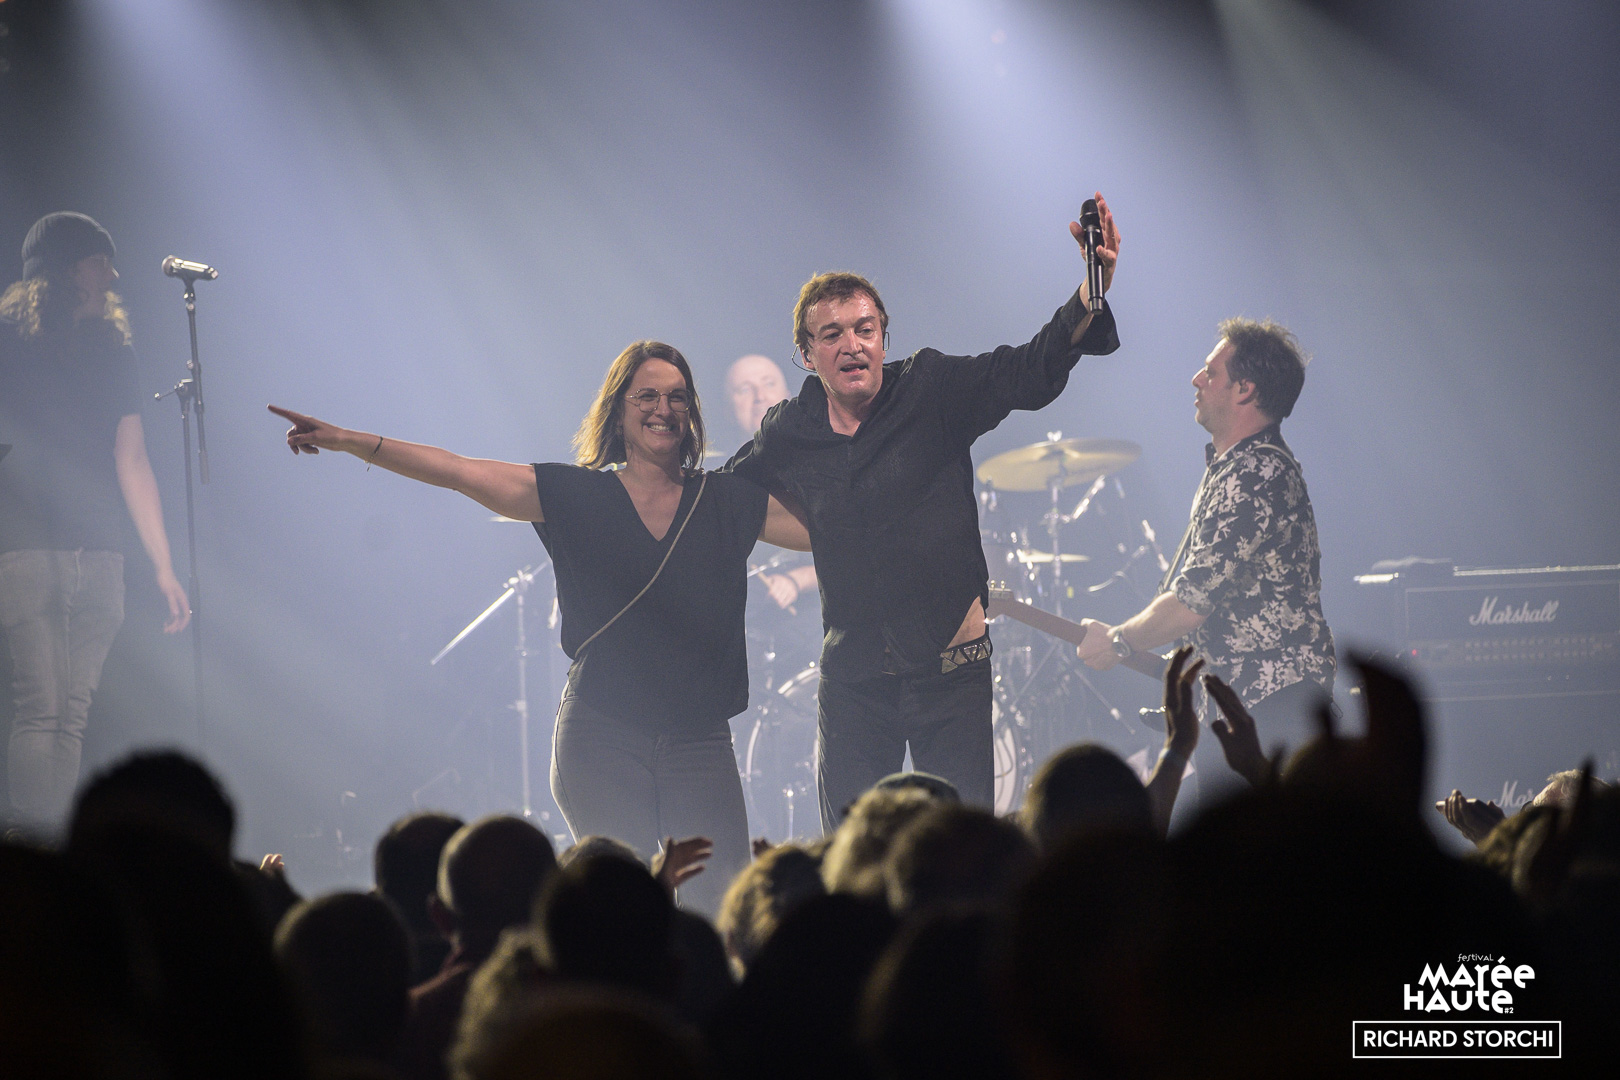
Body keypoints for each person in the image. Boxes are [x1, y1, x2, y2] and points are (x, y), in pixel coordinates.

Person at [270, 340, 809, 914]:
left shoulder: (723, 499)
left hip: (699, 740)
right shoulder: (576, 493)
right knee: (616, 907)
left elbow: (829, 530)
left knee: (720, 904)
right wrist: (349, 440)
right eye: (647, 396)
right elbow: (457, 470)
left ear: (692, 412)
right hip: (603, 735)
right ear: (618, 412)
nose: (663, 408)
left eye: (677, 397)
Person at [726, 196, 1121, 830]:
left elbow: (1026, 370)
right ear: (806, 353)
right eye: (832, 334)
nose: (853, 345)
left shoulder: (930, 387)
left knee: (963, 849)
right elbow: (722, 500)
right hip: (855, 680)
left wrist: (1089, 293)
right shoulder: (790, 428)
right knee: (852, 851)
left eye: (865, 329)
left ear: (884, 337)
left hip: (951, 674)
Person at [0, 212, 191, 826]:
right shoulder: (9, 342)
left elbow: (132, 459)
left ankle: (50, 847)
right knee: (42, 706)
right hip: (26, 548)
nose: (112, 275)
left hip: (101, 554)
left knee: (70, 713)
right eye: (98, 262)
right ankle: (31, 853)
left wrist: (163, 566)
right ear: (62, 270)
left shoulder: (114, 352)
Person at [1076, 319, 1335, 756]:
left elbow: (1190, 603)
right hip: (1240, 704)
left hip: (1272, 705)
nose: (1196, 379)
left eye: (1212, 373)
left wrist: (1118, 640)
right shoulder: (1235, 467)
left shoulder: (1256, 473)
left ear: (1245, 390)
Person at [727, 352, 817, 618]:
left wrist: (798, 580)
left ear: (787, 394)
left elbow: (855, 550)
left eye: (769, 383)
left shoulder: (821, 465)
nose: (759, 396)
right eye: (744, 389)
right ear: (728, 407)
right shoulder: (717, 479)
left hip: (813, 622)